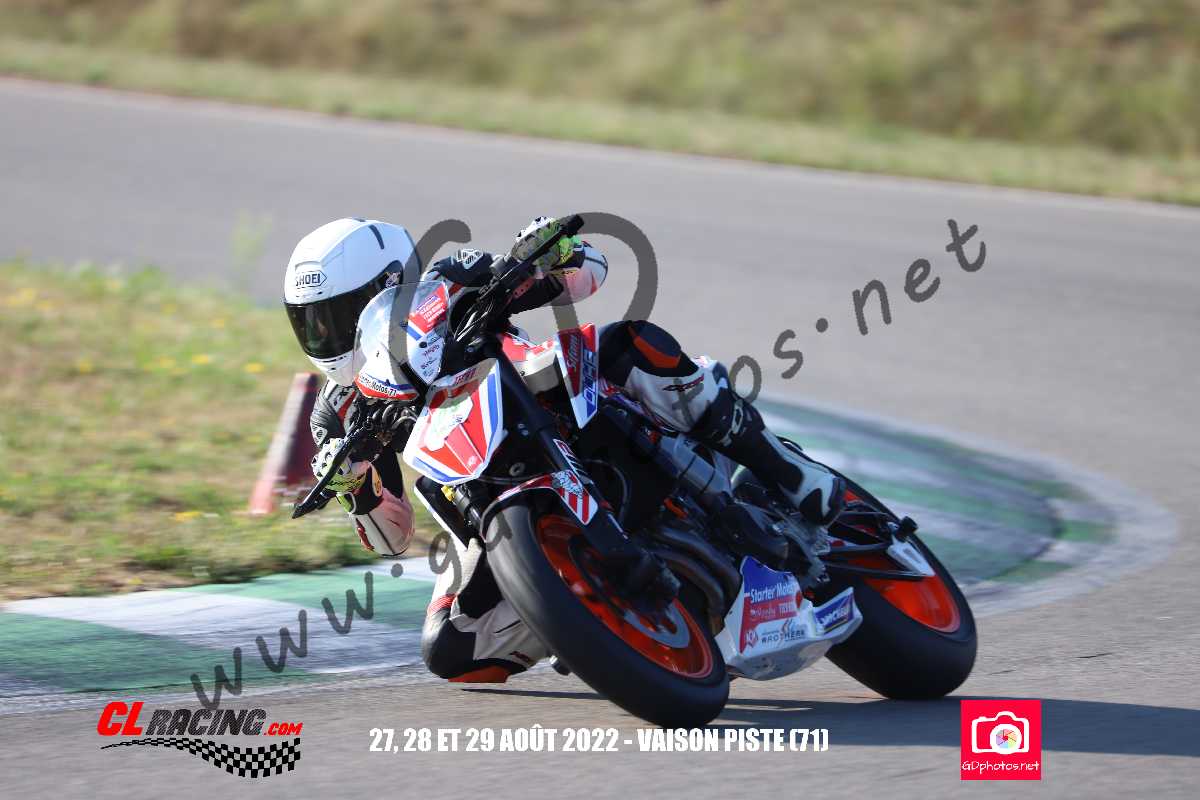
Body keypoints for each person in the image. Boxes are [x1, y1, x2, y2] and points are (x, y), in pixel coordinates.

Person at [284, 215, 844, 683]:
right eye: (311, 324)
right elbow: (394, 539)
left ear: (388, 284)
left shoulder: (452, 280)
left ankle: (783, 468)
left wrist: (553, 255)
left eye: (337, 317)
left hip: (548, 396)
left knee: (626, 344)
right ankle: (584, 615)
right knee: (452, 652)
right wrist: (358, 491)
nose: (326, 337)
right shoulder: (337, 415)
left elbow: (586, 275)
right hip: (478, 500)